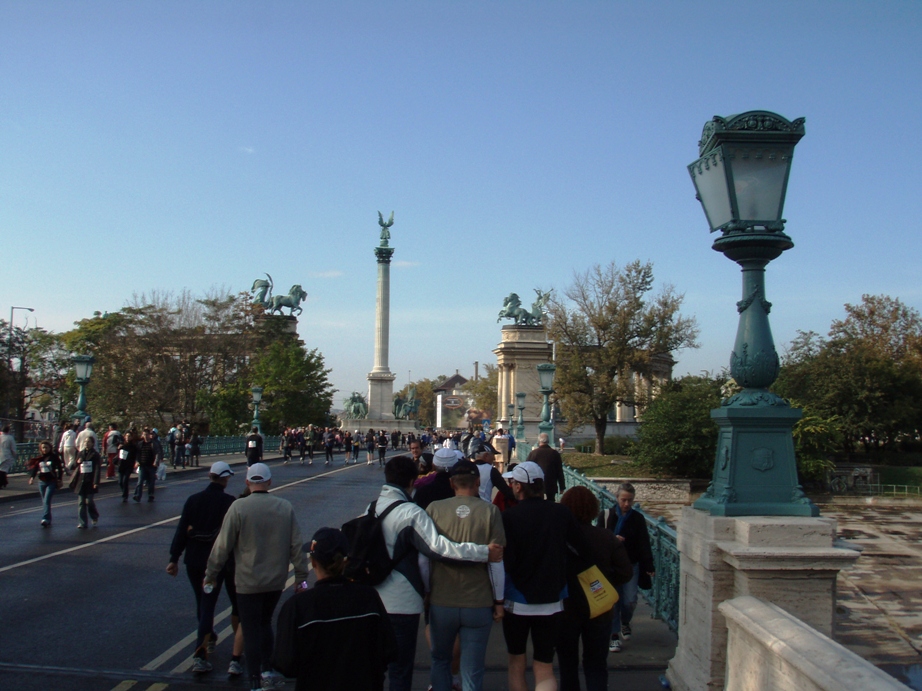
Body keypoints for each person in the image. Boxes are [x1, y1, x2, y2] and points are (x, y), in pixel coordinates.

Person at [367, 455, 503, 691]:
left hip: (381, 598)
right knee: (463, 668)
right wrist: (485, 560)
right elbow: (436, 550)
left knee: (385, 666)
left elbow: (422, 559)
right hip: (421, 600)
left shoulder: (372, 508)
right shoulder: (413, 513)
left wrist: (429, 592)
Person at [205, 463, 309, 691]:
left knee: (250, 628)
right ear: (270, 482)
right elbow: (296, 546)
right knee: (264, 624)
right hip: (275, 581)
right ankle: (266, 669)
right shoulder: (284, 507)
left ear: (247, 482)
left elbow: (222, 546)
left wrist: (211, 574)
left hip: (247, 580)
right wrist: (301, 577)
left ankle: (254, 680)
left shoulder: (238, 507)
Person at [500, 461, 593, 691]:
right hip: (552, 599)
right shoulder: (560, 513)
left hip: (517, 600)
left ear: (519, 487)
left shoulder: (509, 517)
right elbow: (582, 550)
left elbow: (505, 561)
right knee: (544, 666)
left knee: (516, 662)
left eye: (512, 482)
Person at [273, 527, 398, 691]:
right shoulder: (369, 598)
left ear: (314, 562)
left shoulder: (298, 607)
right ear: (345, 562)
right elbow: (389, 650)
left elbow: (285, 664)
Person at [425, 460, 506, 691]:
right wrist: (498, 602)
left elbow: (425, 559)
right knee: (473, 669)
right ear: (478, 482)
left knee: (440, 660)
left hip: (442, 600)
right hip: (478, 602)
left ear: (451, 483)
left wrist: (427, 591)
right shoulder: (490, 511)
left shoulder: (434, 509)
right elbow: (496, 563)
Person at [557, 487, 633, 691]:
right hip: (599, 606)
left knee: (567, 665)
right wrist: (605, 581)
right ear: (593, 509)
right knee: (596, 665)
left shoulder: (558, 538)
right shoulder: (606, 537)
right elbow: (626, 572)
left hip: (566, 608)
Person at [167, 461, 238, 675]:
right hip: (216, 563)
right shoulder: (229, 503)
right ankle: (200, 654)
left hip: (193, 561)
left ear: (210, 476)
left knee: (202, 603)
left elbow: (181, 530)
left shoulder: (193, 500)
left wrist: (173, 558)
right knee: (208, 605)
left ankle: (210, 636)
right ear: (225, 479)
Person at [599, 483, 654, 654]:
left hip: (631, 564)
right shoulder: (606, 515)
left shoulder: (637, 518)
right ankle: (614, 636)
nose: (626, 504)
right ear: (617, 499)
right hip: (611, 566)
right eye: (623, 500)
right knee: (614, 601)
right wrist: (612, 539)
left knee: (629, 601)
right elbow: (598, 539)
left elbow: (644, 543)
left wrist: (649, 565)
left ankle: (625, 621)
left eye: (630, 500)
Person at [27, 440, 64, 526]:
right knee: (44, 501)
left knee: (47, 500)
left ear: (50, 448)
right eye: (43, 448)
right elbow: (35, 469)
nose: (45, 449)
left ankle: (45, 519)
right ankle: (48, 518)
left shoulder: (54, 457)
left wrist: (59, 479)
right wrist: (32, 478)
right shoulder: (40, 458)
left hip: (51, 481)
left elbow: (60, 469)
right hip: (42, 482)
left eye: (46, 447)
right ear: (41, 449)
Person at [71, 436, 102, 529]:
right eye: (85, 442)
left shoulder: (95, 455)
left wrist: (96, 482)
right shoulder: (80, 453)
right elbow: (73, 466)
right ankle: (82, 522)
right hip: (81, 481)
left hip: (90, 481)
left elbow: (97, 469)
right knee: (81, 503)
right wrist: (77, 462)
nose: (86, 443)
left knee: (89, 501)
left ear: (92, 443)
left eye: (88, 442)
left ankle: (94, 516)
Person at [526, 433, 565, 502]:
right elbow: (559, 471)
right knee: (551, 502)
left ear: (539, 441)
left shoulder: (534, 453)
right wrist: (562, 486)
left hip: (536, 483)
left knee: (538, 501)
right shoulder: (554, 453)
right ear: (548, 441)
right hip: (551, 483)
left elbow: (527, 468)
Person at [134, 428, 158, 502]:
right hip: (142, 465)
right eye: (144, 435)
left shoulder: (153, 444)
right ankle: (137, 495)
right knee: (140, 481)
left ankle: (150, 495)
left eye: (147, 435)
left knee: (151, 481)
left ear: (149, 435)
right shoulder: (140, 444)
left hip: (151, 465)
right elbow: (137, 454)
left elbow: (157, 453)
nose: (145, 436)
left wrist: (155, 462)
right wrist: (137, 461)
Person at [116, 430, 139, 502]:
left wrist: (136, 462)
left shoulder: (133, 446)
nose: (127, 437)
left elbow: (136, 455)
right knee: (120, 481)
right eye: (126, 436)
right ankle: (124, 492)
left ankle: (125, 496)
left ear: (131, 437)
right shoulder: (122, 444)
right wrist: (119, 448)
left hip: (129, 465)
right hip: (121, 464)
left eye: (129, 436)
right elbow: (118, 454)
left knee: (125, 480)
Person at [0, 425, 16, 489]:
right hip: (6, 455)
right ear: (8, 431)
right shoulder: (10, 438)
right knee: (3, 470)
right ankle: (2, 482)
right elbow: (13, 448)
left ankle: (4, 482)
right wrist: (14, 455)